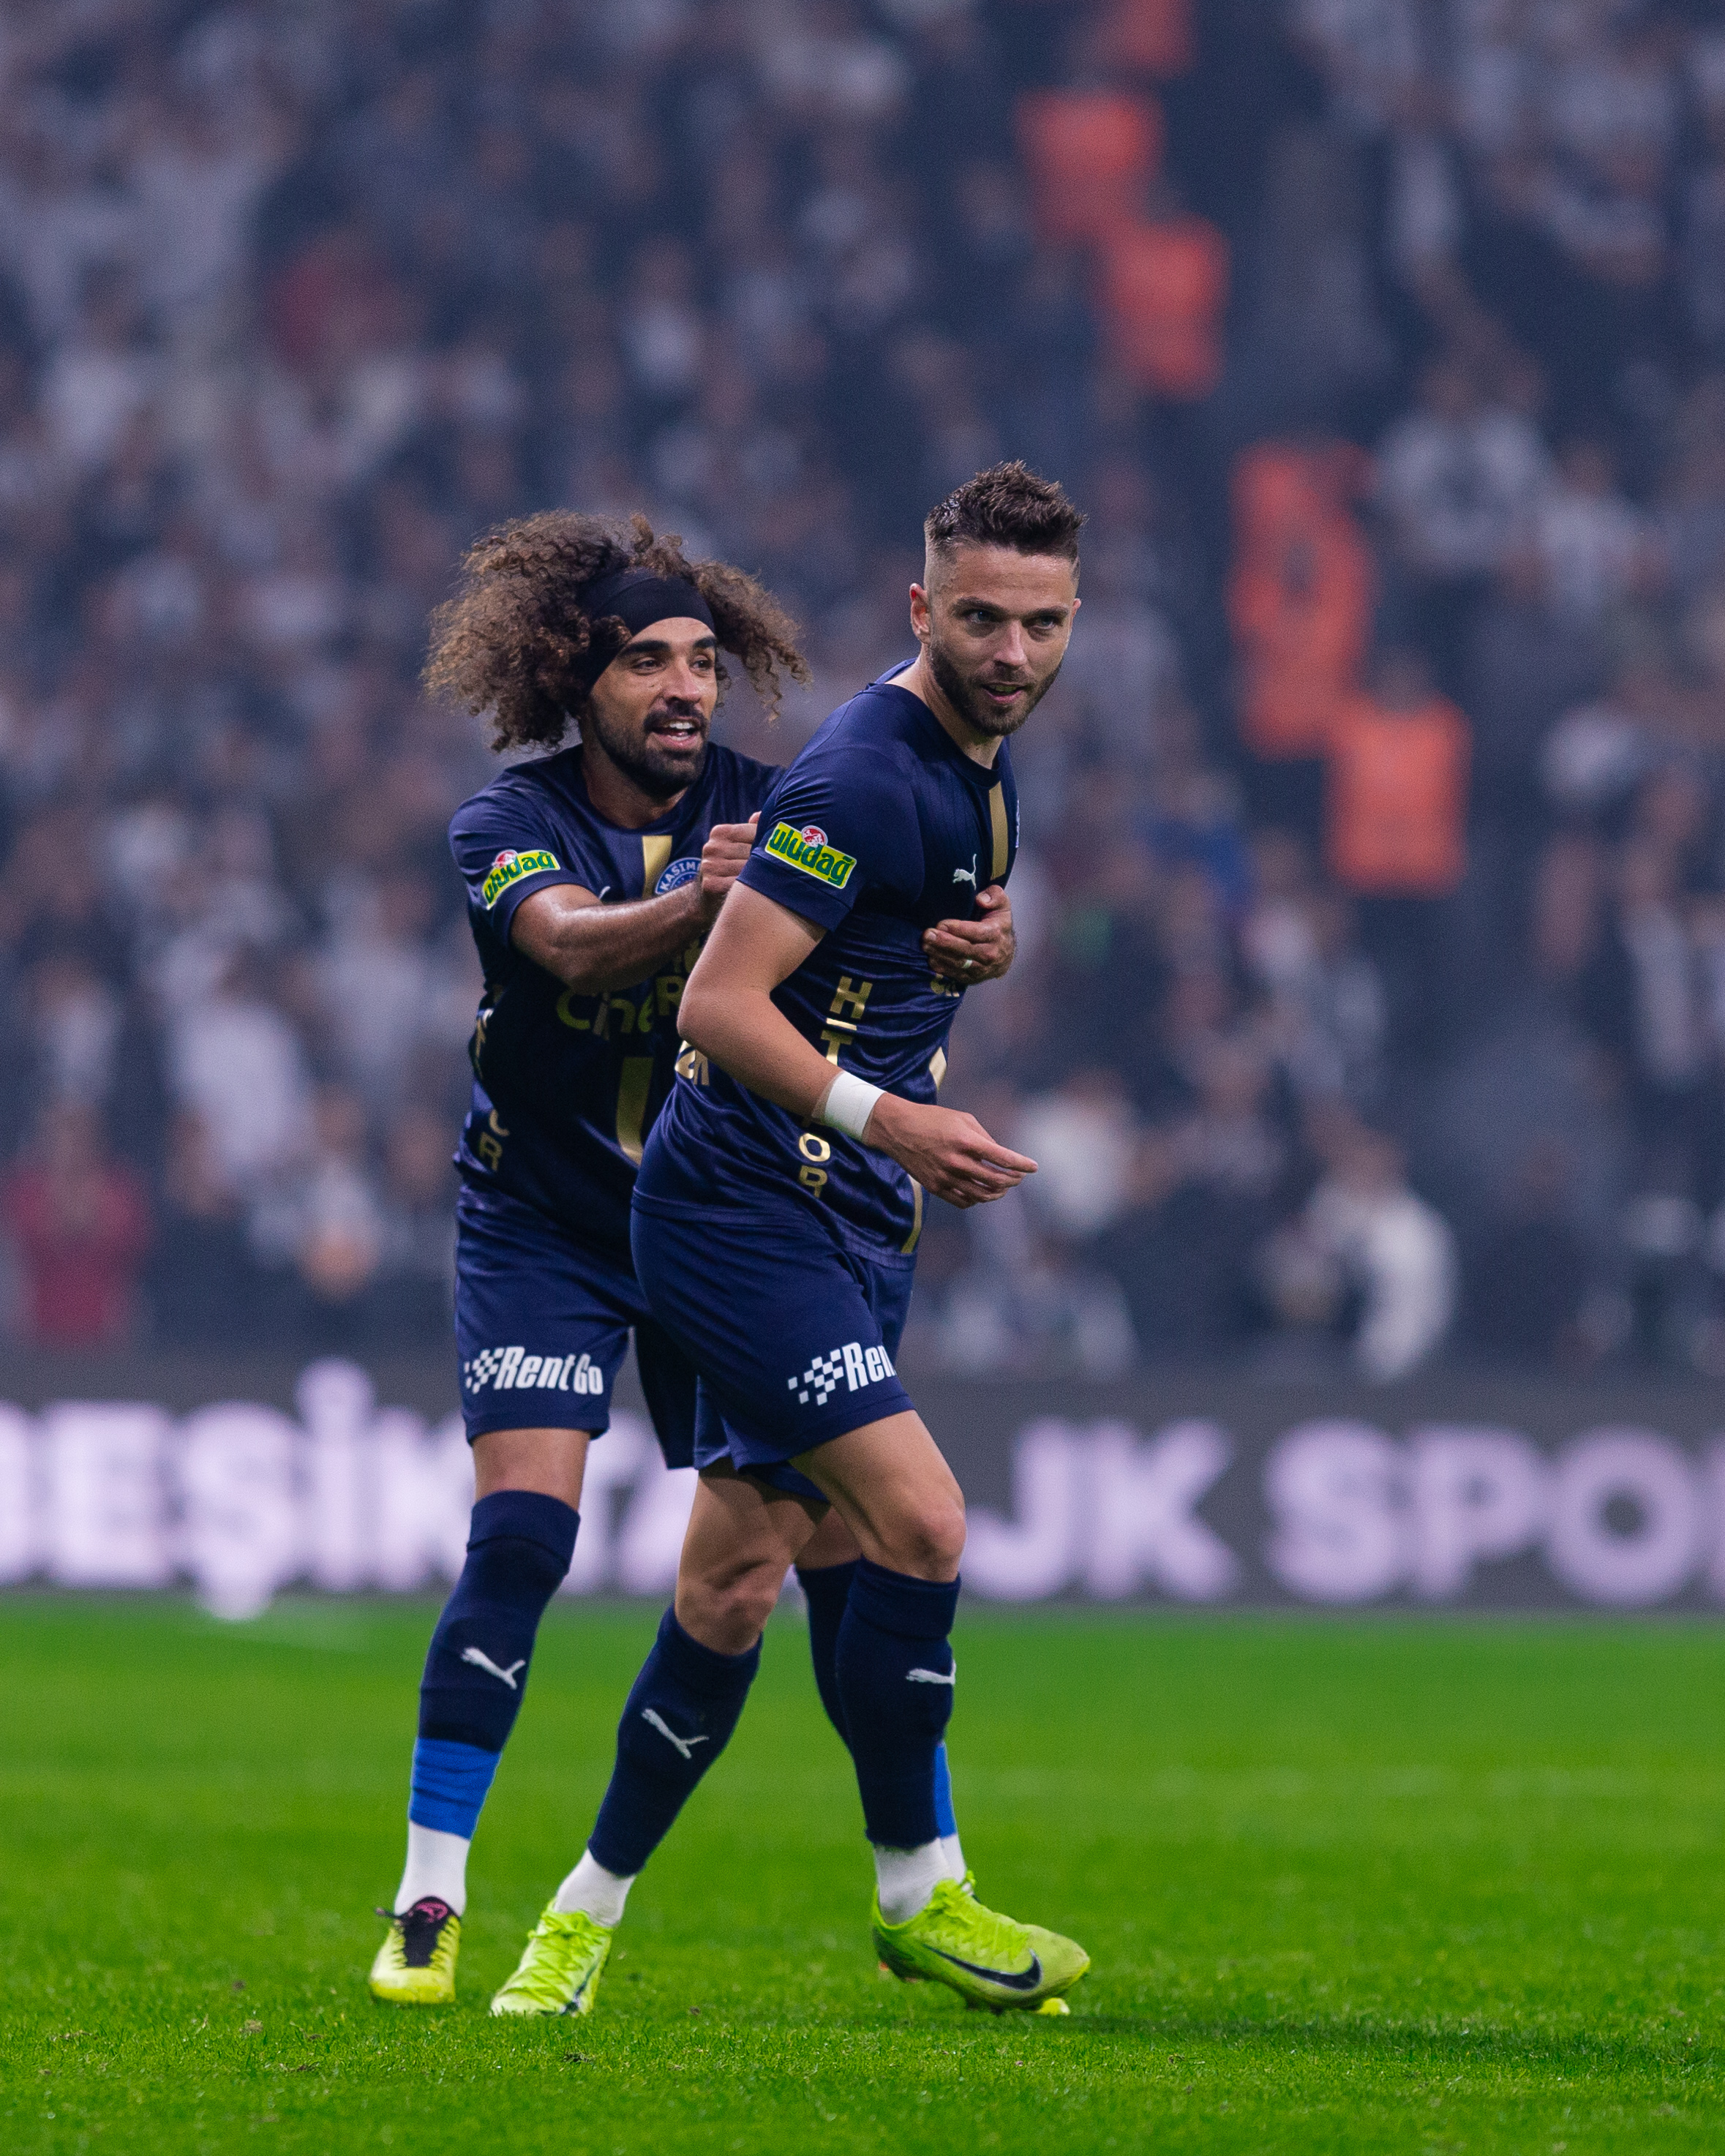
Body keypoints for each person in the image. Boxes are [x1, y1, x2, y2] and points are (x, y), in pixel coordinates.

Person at [487, 464, 1091, 2020]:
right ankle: (920, 1894)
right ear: (921, 607)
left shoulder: (978, 767)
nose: (1012, 652)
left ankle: (573, 1927)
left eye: (1042, 624)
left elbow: (884, 950)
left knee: (734, 1587)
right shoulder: (863, 776)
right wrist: (900, 1122)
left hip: (845, 1213)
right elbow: (715, 1003)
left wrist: (981, 948)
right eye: (982, 619)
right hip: (742, 1212)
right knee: (924, 1525)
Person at [367, 510, 982, 2007]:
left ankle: (925, 1885)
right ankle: (429, 1899)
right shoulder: (505, 823)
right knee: (524, 1539)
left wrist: (979, 939)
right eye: (646, 661)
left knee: (820, 1558)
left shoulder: (785, 807)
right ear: (575, 679)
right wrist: (710, 901)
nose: (685, 687)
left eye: (703, 660)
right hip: (548, 1223)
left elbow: (911, 930)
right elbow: (570, 946)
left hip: (721, 1221)